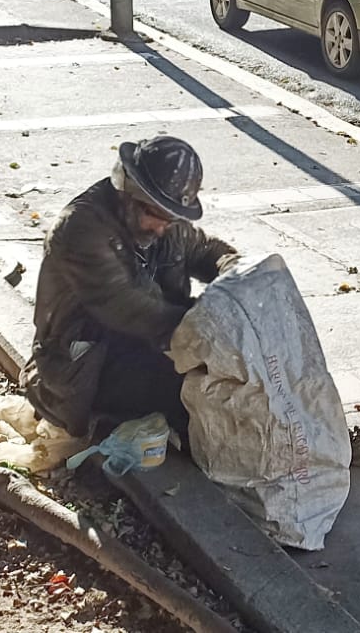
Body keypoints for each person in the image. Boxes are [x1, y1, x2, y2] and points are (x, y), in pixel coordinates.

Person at [22, 136, 235, 444]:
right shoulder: (80, 229)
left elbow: (201, 249)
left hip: (147, 348)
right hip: (87, 364)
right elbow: (127, 308)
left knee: (227, 381)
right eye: (156, 216)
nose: (163, 228)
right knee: (200, 395)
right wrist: (208, 328)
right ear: (129, 194)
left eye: (172, 218)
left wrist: (238, 270)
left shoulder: (165, 220)